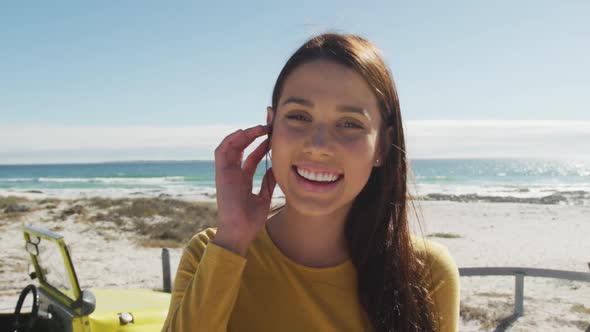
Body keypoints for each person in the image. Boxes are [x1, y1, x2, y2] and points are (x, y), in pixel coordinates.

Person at [162, 32, 460, 332]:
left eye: (349, 123)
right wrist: (232, 240)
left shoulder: (425, 273)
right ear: (271, 125)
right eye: (299, 117)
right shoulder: (211, 254)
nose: (318, 145)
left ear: (383, 145)